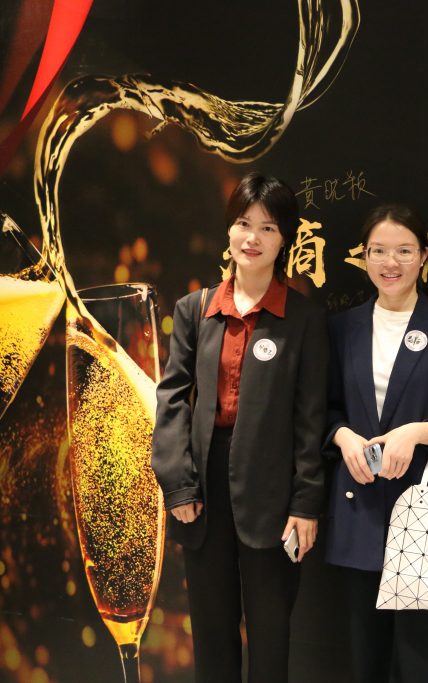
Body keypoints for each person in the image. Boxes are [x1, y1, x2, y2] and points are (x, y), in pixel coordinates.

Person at [152, 172, 328, 683]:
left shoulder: (304, 319)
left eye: (268, 228)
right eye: (244, 224)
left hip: (273, 490)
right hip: (203, 489)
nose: (253, 238)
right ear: (229, 230)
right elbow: (172, 399)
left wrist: (305, 503)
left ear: (285, 239)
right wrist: (178, 484)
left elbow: (311, 418)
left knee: (271, 633)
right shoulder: (195, 309)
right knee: (211, 631)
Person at [322, 203, 428, 683]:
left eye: (405, 251)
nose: (391, 263)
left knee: (423, 660)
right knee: (364, 659)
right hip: (359, 508)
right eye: (379, 251)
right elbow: (321, 410)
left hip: (426, 516)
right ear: (364, 257)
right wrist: (343, 436)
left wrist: (417, 431)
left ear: (425, 256)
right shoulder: (341, 328)